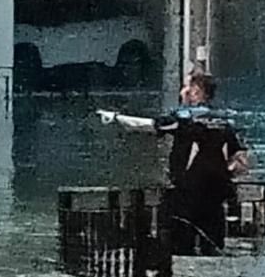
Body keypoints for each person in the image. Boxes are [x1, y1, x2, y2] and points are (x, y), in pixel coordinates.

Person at [98, 71, 250, 255]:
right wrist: (223, 173)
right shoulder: (225, 119)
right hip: (217, 192)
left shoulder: (184, 117)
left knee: (180, 241)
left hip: (188, 190)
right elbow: (241, 160)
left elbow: (148, 125)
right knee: (213, 242)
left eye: (186, 87)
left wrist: (115, 118)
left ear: (195, 92)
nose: (182, 91)